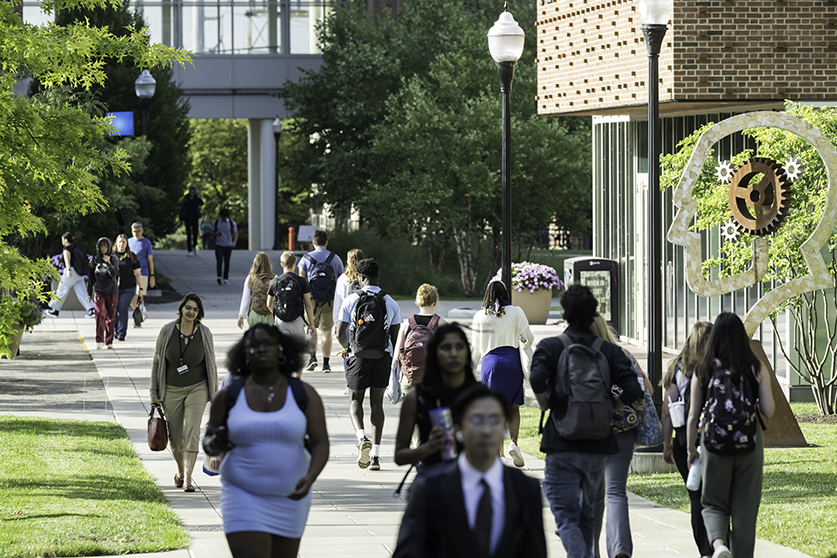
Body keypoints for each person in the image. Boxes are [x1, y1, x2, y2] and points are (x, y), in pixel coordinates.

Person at [530, 285, 642, 558]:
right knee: (587, 512)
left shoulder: (551, 347)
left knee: (565, 516)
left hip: (561, 441)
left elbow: (536, 379)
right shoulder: (609, 351)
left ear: (565, 313)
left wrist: (548, 403)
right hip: (597, 445)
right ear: (594, 314)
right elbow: (634, 391)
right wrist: (610, 406)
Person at [204, 324, 329, 558]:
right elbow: (209, 442)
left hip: (291, 497)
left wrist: (311, 477)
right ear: (245, 353)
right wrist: (216, 442)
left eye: (268, 344)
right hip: (242, 494)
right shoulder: (228, 395)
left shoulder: (304, 394)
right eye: (254, 345)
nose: (261, 349)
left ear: (281, 350)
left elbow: (321, 442)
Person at [392, 384, 547, 558]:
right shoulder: (429, 488)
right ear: (457, 430)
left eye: (495, 420)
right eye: (476, 420)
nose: (486, 430)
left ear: (505, 429)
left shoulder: (526, 488)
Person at [686, 313, 775, 558]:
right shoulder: (756, 367)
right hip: (750, 442)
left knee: (713, 502)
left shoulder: (703, 369)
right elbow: (768, 410)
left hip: (714, 441)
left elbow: (693, 415)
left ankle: (719, 545)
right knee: (745, 510)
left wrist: (691, 450)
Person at [590, 315, 654, 558]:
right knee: (615, 492)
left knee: (592, 497)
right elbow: (646, 390)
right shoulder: (623, 355)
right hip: (622, 432)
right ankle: (620, 550)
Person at [336, 258, 401, 470]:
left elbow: (338, 332)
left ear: (361, 277)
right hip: (382, 358)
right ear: (377, 276)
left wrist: (350, 348)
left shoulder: (351, 300)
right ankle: (375, 456)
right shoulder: (390, 302)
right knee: (377, 404)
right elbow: (396, 336)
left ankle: (361, 436)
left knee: (355, 401)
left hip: (358, 357)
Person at [150, 293, 218, 492]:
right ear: (181, 308)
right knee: (176, 436)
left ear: (199, 313)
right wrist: (154, 393)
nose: (191, 312)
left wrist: (215, 394)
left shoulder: (204, 333)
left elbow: (211, 365)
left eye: (195, 310)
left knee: (192, 430)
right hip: (171, 388)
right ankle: (180, 470)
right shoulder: (167, 331)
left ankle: (188, 478)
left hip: (198, 387)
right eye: (188, 307)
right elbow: (157, 362)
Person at [661, 321, 714, 558]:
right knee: (716, 497)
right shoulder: (716, 366)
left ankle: (705, 549)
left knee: (696, 498)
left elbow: (667, 410)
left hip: (684, 440)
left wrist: (667, 445)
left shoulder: (676, 367)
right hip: (714, 439)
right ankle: (720, 543)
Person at [394, 323, 476, 470]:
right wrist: (428, 448)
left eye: (459, 347)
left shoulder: (479, 396)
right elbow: (400, 456)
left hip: (471, 482)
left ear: (467, 352)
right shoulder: (417, 397)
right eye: (446, 348)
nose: (453, 354)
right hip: (432, 481)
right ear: (434, 353)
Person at [471, 281, 533, 467]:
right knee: (513, 407)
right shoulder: (516, 312)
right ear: (505, 294)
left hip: (491, 364)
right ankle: (513, 443)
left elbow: (475, 348)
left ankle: (499, 454)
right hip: (512, 362)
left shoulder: (480, 316)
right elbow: (528, 337)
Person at [298, 229, 344, 373]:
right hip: (329, 301)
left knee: (311, 329)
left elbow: (301, 281)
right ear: (326, 242)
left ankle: (312, 358)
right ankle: (326, 364)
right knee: (326, 332)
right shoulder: (335, 259)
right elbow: (341, 280)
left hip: (311, 300)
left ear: (313, 243)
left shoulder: (306, 259)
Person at [391, 283, 447, 395]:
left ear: (417, 302)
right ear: (435, 302)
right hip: (433, 381)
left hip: (409, 380)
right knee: (435, 411)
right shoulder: (442, 324)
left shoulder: (406, 324)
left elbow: (397, 356)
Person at [267, 251, 315, 350]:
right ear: (294, 264)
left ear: (281, 264)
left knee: (282, 352)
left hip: (280, 321)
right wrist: (311, 324)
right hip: (297, 320)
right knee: (297, 354)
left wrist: (278, 314)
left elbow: (268, 304)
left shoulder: (275, 282)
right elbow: (308, 304)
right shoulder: (301, 281)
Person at [333, 248, 364, 394]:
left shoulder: (343, 279)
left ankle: (349, 382)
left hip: (347, 320)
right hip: (364, 320)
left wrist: (335, 321)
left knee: (347, 350)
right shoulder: (365, 278)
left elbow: (338, 302)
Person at [46, 232, 95, 318]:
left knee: (61, 290)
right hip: (79, 273)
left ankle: (55, 310)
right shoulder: (75, 247)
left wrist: (68, 270)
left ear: (66, 240)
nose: (62, 241)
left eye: (62, 239)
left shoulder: (66, 249)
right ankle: (92, 309)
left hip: (71, 272)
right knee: (82, 292)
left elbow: (67, 260)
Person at [86, 237, 119, 349]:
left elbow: (114, 273)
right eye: (101, 246)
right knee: (100, 313)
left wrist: (108, 262)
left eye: (106, 246)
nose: (104, 248)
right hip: (99, 291)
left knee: (110, 316)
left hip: (112, 291)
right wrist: (89, 292)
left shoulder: (113, 259)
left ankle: (109, 341)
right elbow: (90, 278)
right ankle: (99, 339)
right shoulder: (93, 261)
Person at [113, 234, 142, 342]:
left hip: (128, 288)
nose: (121, 244)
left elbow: (138, 273)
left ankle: (121, 333)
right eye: (119, 242)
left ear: (127, 244)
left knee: (122, 309)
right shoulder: (111, 256)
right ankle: (115, 329)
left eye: (123, 242)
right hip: (113, 288)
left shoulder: (132, 257)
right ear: (116, 243)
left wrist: (140, 288)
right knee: (114, 310)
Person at [237, 252, 277, 330]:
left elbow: (245, 299)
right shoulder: (274, 278)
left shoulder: (250, 278)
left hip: (255, 313)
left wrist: (241, 316)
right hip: (270, 314)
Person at [129, 222, 155, 328]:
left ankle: (138, 320)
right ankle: (140, 312)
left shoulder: (146, 243)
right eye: (134, 231)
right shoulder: (129, 242)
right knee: (129, 295)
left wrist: (152, 276)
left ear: (142, 231)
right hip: (130, 272)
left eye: (138, 231)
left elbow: (150, 260)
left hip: (143, 272)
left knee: (139, 295)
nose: (136, 233)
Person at [213, 208, 238, 285]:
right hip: (219, 244)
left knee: (227, 262)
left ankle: (226, 277)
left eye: (225, 217)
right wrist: (216, 234)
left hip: (228, 245)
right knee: (219, 261)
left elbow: (235, 233)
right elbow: (211, 231)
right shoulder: (216, 222)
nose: (223, 218)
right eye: (222, 217)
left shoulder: (231, 223)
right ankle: (219, 276)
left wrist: (234, 242)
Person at [180, 187, 204, 257]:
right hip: (187, 217)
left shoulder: (196, 198)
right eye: (191, 191)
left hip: (195, 217)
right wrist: (181, 219)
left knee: (195, 233)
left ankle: (194, 246)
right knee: (189, 234)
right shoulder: (186, 198)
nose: (192, 193)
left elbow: (202, 203)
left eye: (193, 192)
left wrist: (198, 195)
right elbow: (182, 208)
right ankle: (189, 249)